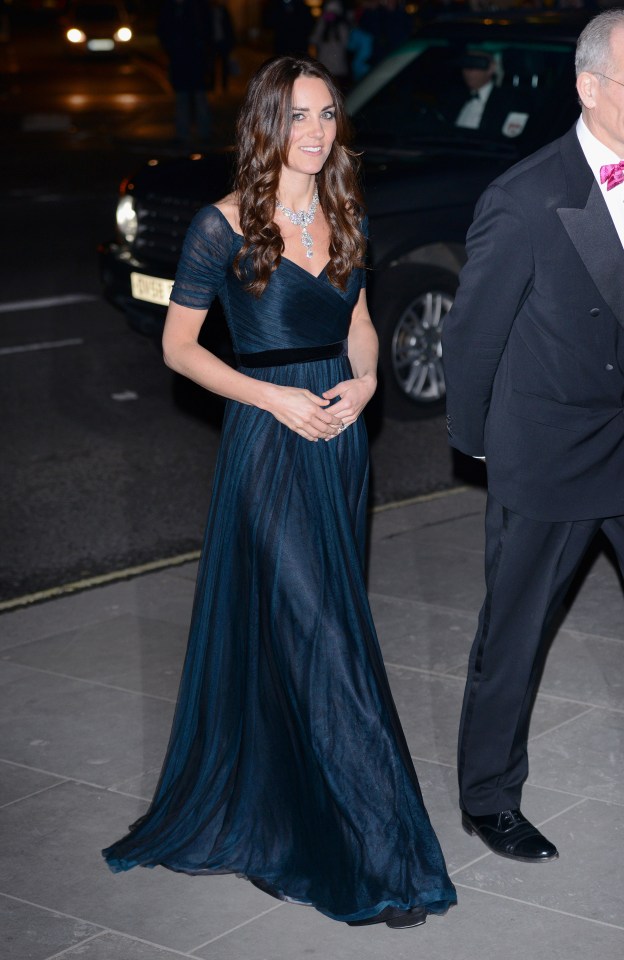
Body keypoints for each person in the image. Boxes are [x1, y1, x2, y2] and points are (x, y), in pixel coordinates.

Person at [102, 55, 457, 928]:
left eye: (328, 114)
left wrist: (367, 386)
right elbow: (179, 349)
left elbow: (363, 324)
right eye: (298, 115)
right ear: (266, 122)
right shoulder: (220, 226)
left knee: (305, 633)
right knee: (322, 635)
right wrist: (274, 397)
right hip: (266, 443)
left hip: (338, 443)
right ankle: (376, 851)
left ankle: (278, 819)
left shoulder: (345, 211)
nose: (316, 131)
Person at [441, 9, 624, 863]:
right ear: (590, 89)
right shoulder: (523, 196)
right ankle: (488, 798)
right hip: (549, 455)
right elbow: (471, 337)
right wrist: (483, 446)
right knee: (512, 638)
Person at [157, 0, 214, 145]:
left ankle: (203, 133)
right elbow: (163, 31)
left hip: (195, 60)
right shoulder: (172, 8)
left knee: (198, 98)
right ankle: (184, 133)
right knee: (184, 98)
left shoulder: (195, 8)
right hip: (181, 60)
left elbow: (206, 31)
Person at [309, 1, 352, 90]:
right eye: (328, 13)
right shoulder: (323, 26)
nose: (330, 16)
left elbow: (347, 44)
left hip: (339, 68)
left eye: (332, 14)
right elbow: (313, 40)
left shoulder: (341, 27)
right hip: (324, 67)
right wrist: (321, 23)